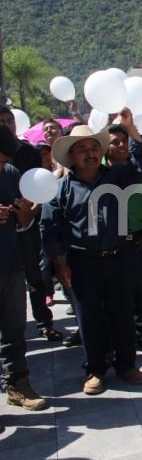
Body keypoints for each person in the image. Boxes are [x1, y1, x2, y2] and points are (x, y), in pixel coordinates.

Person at [40, 118, 142, 395]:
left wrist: (130, 128)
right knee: (89, 320)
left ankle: (126, 365)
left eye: (94, 147)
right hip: (81, 263)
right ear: (72, 156)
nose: (90, 153)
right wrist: (59, 263)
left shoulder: (118, 177)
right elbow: (49, 228)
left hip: (118, 258)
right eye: (82, 149)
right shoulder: (61, 189)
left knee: (122, 315)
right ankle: (95, 370)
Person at [0, 107, 64, 342]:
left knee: (35, 275)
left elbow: (39, 184)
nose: (7, 125)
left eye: (10, 120)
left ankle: (44, 322)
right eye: (2, 121)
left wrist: (29, 211)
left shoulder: (27, 153)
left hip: (27, 224)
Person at [103, 123, 142, 354]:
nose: (121, 145)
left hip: (139, 241)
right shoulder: (100, 175)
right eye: (115, 142)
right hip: (112, 245)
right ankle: (120, 342)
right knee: (118, 296)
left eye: (124, 141)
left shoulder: (138, 171)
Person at [0, 127, 48, 411]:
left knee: (15, 332)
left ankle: (18, 384)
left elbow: (28, 217)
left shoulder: (11, 174)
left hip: (12, 264)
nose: (2, 165)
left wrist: (26, 212)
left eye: (5, 159)